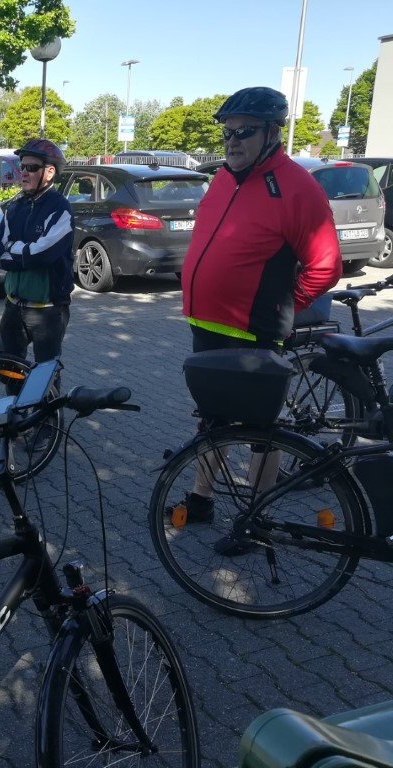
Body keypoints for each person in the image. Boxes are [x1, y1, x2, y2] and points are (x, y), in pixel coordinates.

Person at [178, 86, 341, 550]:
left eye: (244, 132)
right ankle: (202, 498)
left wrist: (282, 306)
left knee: (260, 434)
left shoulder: (297, 187)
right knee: (212, 420)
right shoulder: (223, 179)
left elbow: (326, 265)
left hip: (253, 333)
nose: (232, 142)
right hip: (206, 325)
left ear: (272, 133)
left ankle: (256, 520)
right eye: (227, 133)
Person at [0, 138, 74, 452]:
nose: (23, 172)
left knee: (45, 372)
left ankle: (48, 424)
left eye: (31, 167)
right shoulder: (15, 207)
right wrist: (20, 252)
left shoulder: (60, 209)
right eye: (21, 167)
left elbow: (44, 253)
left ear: (49, 172)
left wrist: (16, 251)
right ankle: (18, 414)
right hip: (14, 304)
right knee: (7, 368)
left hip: (47, 309)